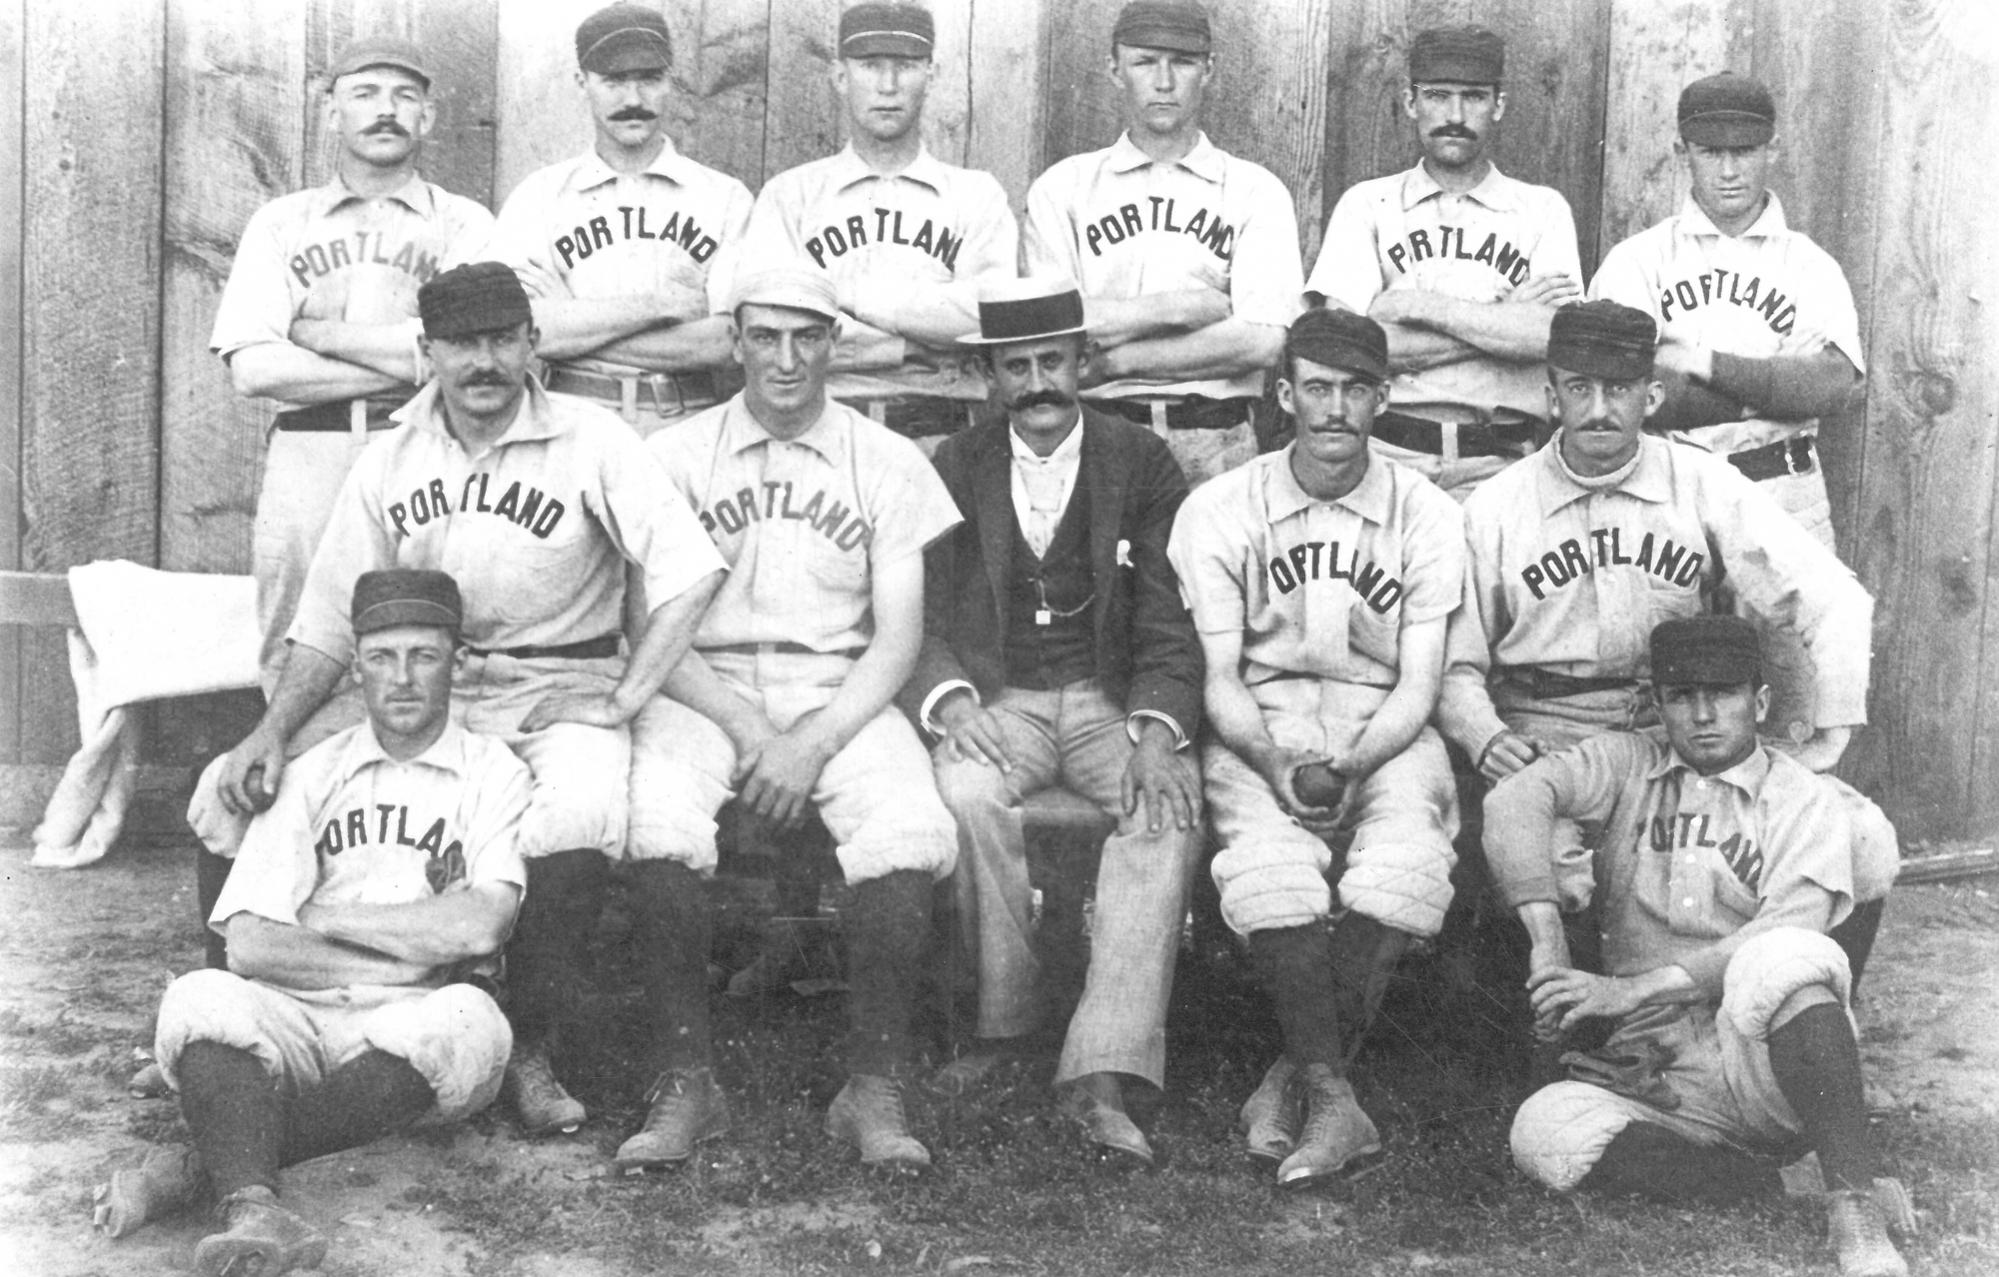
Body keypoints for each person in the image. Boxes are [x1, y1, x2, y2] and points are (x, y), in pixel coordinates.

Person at [193, 261, 727, 1142]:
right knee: (232, 786)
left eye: (500, 339)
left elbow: (690, 569)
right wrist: (271, 729)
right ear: (427, 350)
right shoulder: (391, 455)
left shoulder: (592, 437)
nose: (482, 361)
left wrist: (627, 694)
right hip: (425, 688)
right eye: (461, 343)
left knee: (578, 811)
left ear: (532, 344)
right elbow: (326, 618)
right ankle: (238, 1014)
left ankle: (529, 1047)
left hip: (556, 683)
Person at [620, 267, 962, 1173]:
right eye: (765, 336)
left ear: (833, 343)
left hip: (838, 687)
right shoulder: (671, 455)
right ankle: (686, 1079)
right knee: (654, 820)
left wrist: (811, 741)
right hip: (703, 684)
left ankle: (873, 1084)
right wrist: (749, 730)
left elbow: (898, 637)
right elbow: (650, 628)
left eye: (806, 336)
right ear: (733, 340)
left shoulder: (886, 459)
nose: (785, 358)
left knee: (907, 827)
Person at [94, 569, 530, 1277]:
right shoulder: (312, 770)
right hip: (297, 1018)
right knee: (199, 995)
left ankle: (197, 1169)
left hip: (417, 1025)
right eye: (382, 657)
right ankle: (255, 1210)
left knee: (470, 1018)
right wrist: (407, 948)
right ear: (355, 668)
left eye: (423, 655)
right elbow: (250, 944)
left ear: (457, 661)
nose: (402, 678)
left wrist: (324, 918)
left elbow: (482, 925)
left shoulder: (495, 772)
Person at [1437, 301, 1893, 968]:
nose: (1599, 409)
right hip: (1552, 728)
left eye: (1618, 390)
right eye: (1579, 389)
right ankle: (1561, 1016)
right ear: (1551, 396)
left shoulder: (1700, 481)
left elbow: (1830, 594)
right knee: (1545, 862)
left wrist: (1830, 731)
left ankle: (1806, 1008)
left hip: (1675, 728)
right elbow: (1455, 666)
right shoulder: (1495, 507)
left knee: (1862, 837)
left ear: (1650, 396)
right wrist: (1487, 737)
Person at [1491, 616, 1910, 1277]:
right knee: (1543, 1132)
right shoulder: (1626, 763)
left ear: (1759, 702)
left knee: (1785, 960)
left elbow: (1791, 926)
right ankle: (1784, 1183)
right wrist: (1548, 947)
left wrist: (1628, 991)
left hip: (1760, 1058)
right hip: (1657, 1074)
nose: (1703, 714)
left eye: (1723, 693)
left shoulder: (1803, 798)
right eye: (1682, 695)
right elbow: (1516, 797)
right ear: (1658, 704)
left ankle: (1855, 1204)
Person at [905, 277, 1204, 1164]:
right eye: (1015, 367)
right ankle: (1002, 1026)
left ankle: (1102, 1065)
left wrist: (1157, 732)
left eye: (1051, 362)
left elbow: (1169, 618)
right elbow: (920, 612)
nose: (1036, 384)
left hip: (1109, 700)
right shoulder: (956, 463)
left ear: (1084, 363)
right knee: (965, 793)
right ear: (990, 377)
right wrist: (954, 698)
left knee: (1165, 809)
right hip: (1005, 700)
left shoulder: (1139, 461)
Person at [1167, 309, 1463, 1186]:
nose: (1335, 409)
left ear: (1383, 397)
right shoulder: (1221, 506)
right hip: (1260, 719)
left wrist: (1354, 765)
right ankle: (1334, 1098)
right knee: (1270, 871)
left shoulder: (1426, 510)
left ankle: (1293, 1080)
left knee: (1406, 864)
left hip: (1383, 723)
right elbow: (1219, 674)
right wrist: (1272, 761)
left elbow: (1418, 682)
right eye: (1318, 389)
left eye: (1355, 390)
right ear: (1285, 395)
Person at [1025, 0, 1301, 485]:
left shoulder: (1254, 190)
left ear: (1208, 70)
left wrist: (1114, 361)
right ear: (1115, 69)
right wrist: (1179, 309)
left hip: (1216, 438)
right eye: (1145, 62)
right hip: (1097, 437)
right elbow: (1053, 329)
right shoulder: (1064, 188)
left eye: (1183, 62)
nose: (1165, 81)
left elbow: (1261, 341)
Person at [1304, 26, 1582, 499]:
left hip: (1503, 465)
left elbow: (1552, 338)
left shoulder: (1542, 210)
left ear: (1498, 105)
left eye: (1473, 97)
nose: (1455, 115)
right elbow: (1348, 351)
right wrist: (1504, 321)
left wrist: (1414, 306)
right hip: (1389, 454)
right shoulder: (1369, 204)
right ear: (1411, 102)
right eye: (1437, 95)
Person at [1590, 73, 1864, 549]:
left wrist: (1701, 364)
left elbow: (1832, 386)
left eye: (1745, 151)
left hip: (1783, 495)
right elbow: (1619, 392)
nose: (1729, 170)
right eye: (1711, 152)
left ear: (1772, 149)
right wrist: (1776, 387)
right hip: (1668, 494)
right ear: (1682, 153)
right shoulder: (1639, 260)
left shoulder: (1809, 264)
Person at [741, 2, 1018, 455]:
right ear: (840, 76)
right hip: (819, 433)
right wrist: (910, 348)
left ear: (930, 75)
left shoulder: (975, 195)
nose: (888, 86)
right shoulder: (790, 195)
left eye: (905, 66)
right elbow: (778, 327)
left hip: (944, 438)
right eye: (870, 65)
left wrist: (845, 295)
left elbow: (989, 317)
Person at [490, 2, 752, 438]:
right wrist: (661, 308)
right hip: (571, 422)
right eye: (613, 81)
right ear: (583, 83)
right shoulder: (540, 197)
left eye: (649, 78)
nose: (633, 100)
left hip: (687, 424)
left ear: (670, 81)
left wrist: (573, 320)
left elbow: (724, 343)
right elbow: (522, 335)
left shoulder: (724, 198)